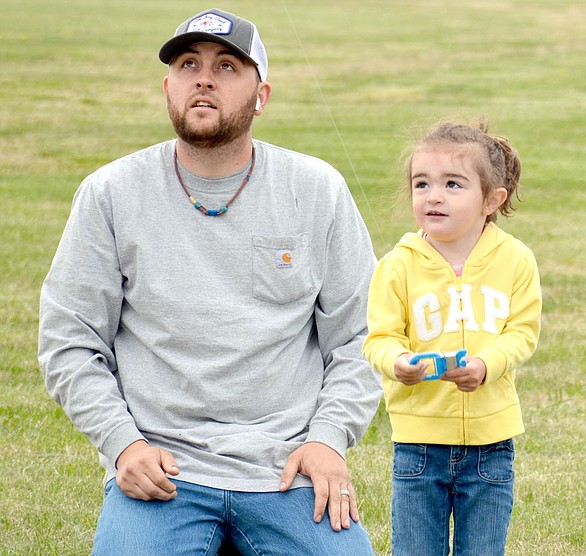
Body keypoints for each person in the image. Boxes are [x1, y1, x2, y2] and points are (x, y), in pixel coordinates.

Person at [38, 8, 382, 555]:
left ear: (261, 95)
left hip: (287, 467)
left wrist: (328, 439)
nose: (203, 77)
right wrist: (123, 445)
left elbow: (363, 336)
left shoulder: (317, 190)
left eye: (227, 66)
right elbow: (70, 340)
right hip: (160, 466)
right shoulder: (110, 193)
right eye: (187, 64)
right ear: (167, 87)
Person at [362, 120, 542, 555]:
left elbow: (522, 334)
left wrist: (485, 366)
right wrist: (398, 363)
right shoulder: (398, 265)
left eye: (453, 184)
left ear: (491, 200)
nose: (433, 195)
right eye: (421, 183)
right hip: (419, 446)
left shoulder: (515, 260)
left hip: (490, 446)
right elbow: (378, 338)